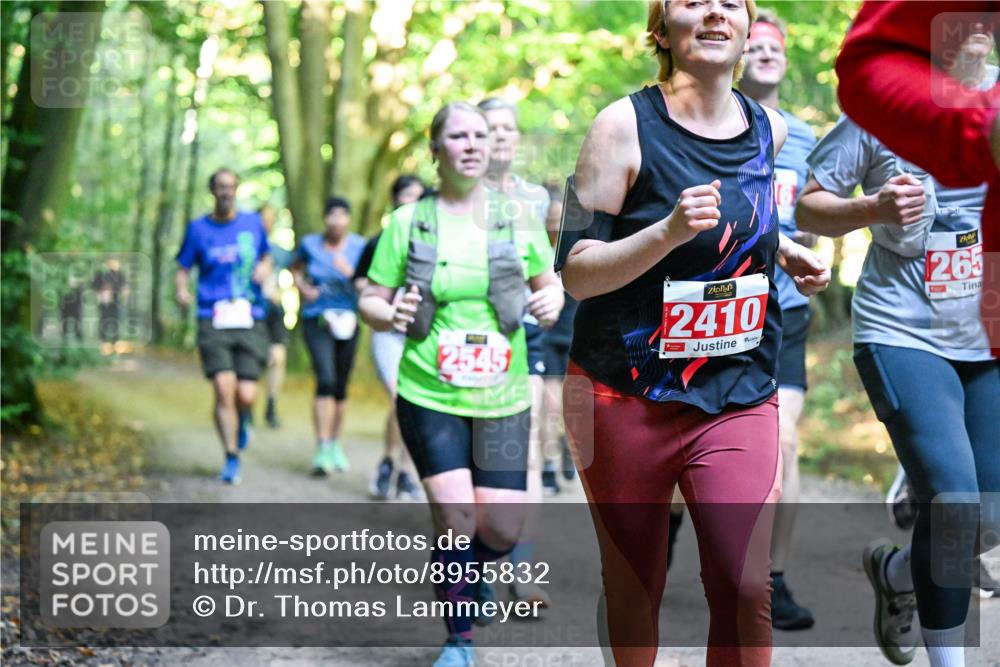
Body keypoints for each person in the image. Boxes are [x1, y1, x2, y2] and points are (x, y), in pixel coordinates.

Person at [558, 1, 830, 665]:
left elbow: (746, 221)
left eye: (730, 1)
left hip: (738, 387)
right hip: (623, 395)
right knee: (633, 586)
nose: (713, 10)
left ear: (746, 26)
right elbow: (576, 271)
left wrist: (785, 251)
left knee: (743, 582)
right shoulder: (618, 126)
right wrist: (668, 230)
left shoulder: (770, 126)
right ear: (661, 30)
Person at [797, 28, 999, 667]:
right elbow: (809, 206)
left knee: (984, 520)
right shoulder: (879, 108)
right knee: (955, 502)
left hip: (987, 334)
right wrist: (875, 209)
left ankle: (900, 577)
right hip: (902, 329)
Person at [359, 101, 562, 667]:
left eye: (479, 135)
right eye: (458, 136)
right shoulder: (406, 223)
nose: (472, 144)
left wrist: (551, 300)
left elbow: (549, 288)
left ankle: (468, 568)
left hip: (502, 394)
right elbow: (370, 299)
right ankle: (459, 640)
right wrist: (387, 313)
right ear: (435, 150)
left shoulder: (515, 217)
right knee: (456, 518)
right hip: (429, 392)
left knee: (500, 527)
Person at [834, 2, 1000, 354]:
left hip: (979, 332)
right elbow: (868, 60)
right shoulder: (870, 120)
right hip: (901, 325)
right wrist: (977, 132)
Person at [737, 8, 818, 631]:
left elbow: (820, 211)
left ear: (785, 59)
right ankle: (676, 528)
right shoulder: (710, 125)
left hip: (784, 309)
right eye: (755, 45)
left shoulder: (810, 139)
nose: (765, 54)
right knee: (691, 442)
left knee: (783, 441)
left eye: (774, 48)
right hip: (714, 310)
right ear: (739, 52)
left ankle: (774, 576)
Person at [479, 96, 564, 608]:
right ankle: (478, 567)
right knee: (478, 457)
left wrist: (551, 295)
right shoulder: (454, 198)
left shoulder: (534, 198)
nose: (502, 136)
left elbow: (552, 265)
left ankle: (521, 568)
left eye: (509, 128)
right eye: (491, 128)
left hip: (526, 334)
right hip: (467, 337)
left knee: (528, 451)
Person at [175, 168, 272, 485]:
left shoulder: (252, 224)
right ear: (212, 190)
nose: (226, 192)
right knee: (222, 388)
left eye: (231, 186)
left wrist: (263, 268)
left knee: (246, 393)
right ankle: (231, 456)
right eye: (220, 187)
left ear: (237, 190)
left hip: (249, 316)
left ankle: (244, 418)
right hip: (212, 316)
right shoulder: (198, 229)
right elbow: (183, 266)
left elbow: (268, 257)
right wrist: (181, 290)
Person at [353, 174, 426, 501]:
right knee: (401, 398)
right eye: (408, 195)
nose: (414, 201)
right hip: (387, 331)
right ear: (395, 199)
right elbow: (361, 284)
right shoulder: (379, 240)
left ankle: (402, 470)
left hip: (421, 334)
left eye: (420, 196)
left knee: (415, 403)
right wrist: (387, 302)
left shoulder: (435, 241)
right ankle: (391, 464)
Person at [292, 196, 366, 477]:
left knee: (341, 386)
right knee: (325, 378)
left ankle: (335, 443)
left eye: (342, 215)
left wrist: (351, 274)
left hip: (349, 318)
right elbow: (295, 269)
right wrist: (302, 289)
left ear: (348, 219)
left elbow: (371, 282)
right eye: (331, 215)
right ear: (325, 219)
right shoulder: (310, 244)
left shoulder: (360, 246)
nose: (336, 221)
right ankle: (322, 446)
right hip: (317, 319)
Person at [539, 181, 578, 489]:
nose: (554, 222)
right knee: (549, 404)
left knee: (573, 407)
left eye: (559, 217)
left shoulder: (580, 247)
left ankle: (567, 447)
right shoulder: (536, 252)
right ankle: (549, 465)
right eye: (550, 217)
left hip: (578, 336)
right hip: (548, 337)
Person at [259, 204, 292, 428]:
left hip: (274, 311)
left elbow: (300, 267)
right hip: (251, 312)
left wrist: (285, 291)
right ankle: (245, 406)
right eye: (263, 219)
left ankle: (271, 403)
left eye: (271, 219)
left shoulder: (279, 251)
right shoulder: (246, 247)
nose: (267, 223)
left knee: (278, 357)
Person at [93, 258, 127, 353]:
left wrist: (123, 297)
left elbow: (124, 287)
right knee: (104, 321)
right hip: (104, 303)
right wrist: (101, 294)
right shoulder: (101, 274)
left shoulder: (119, 275)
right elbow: (95, 286)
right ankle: (103, 342)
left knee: (116, 321)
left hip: (116, 302)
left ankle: (116, 342)